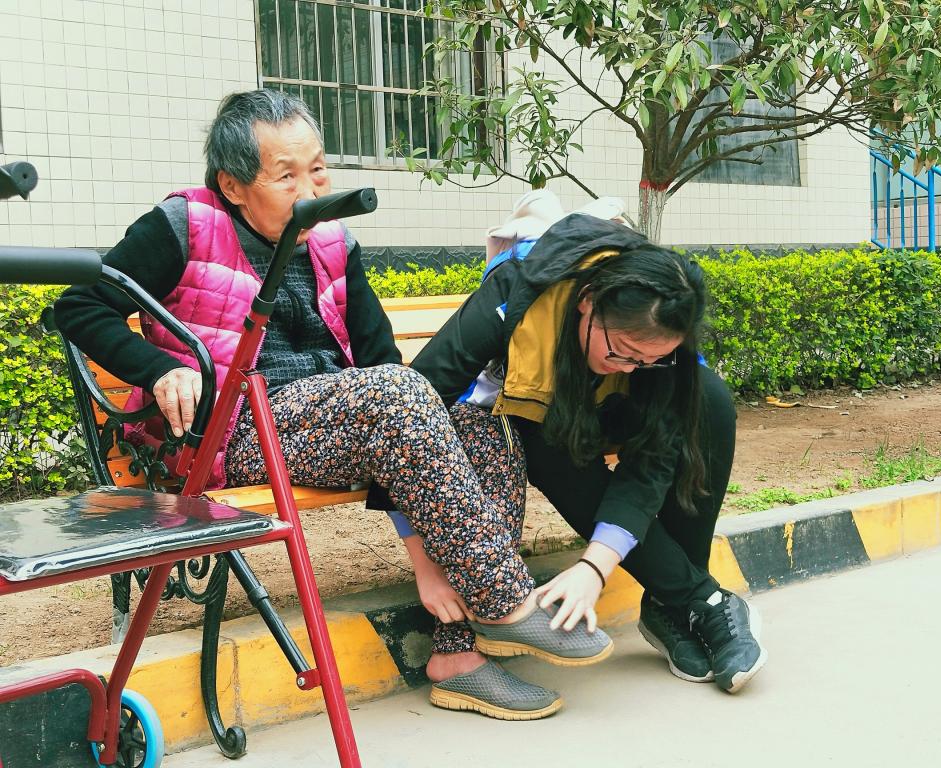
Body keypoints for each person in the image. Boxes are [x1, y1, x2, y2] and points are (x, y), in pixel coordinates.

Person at [54, 88, 613, 722]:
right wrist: (161, 369)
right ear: (233, 186)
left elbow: (384, 368)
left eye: (318, 169)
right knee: (400, 394)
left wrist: (425, 556)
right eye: (286, 176)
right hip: (235, 432)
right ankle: (506, 603)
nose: (311, 188)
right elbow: (79, 306)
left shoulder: (332, 242)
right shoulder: (184, 224)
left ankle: (457, 658)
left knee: (481, 427)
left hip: (334, 426)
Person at [389, 211, 767, 702]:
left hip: (604, 411)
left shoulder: (658, 343)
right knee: (541, 439)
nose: (632, 368)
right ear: (588, 301)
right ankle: (700, 599)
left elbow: (650, 465)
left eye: (649, 360)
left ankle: (675, 604)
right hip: (534, 420)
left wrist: (594, 567)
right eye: (623, 352)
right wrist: (426, 563)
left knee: (707, 400)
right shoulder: (516, 294)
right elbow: (406, 421)